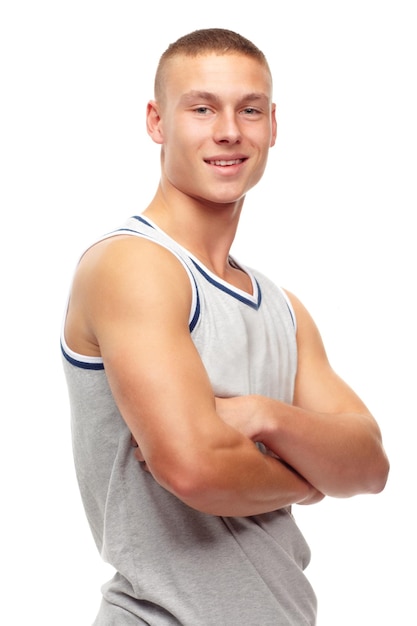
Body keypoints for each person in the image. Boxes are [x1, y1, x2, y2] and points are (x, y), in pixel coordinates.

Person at [61, 28, 389, 625]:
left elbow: (369, 464)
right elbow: (193, 469)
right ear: (157, 121)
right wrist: (310, 477)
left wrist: (266, 416)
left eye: (250, 110)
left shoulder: (281, 307)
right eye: (203, 107)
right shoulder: (134, 266)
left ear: (273, 126)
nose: (229, 131)